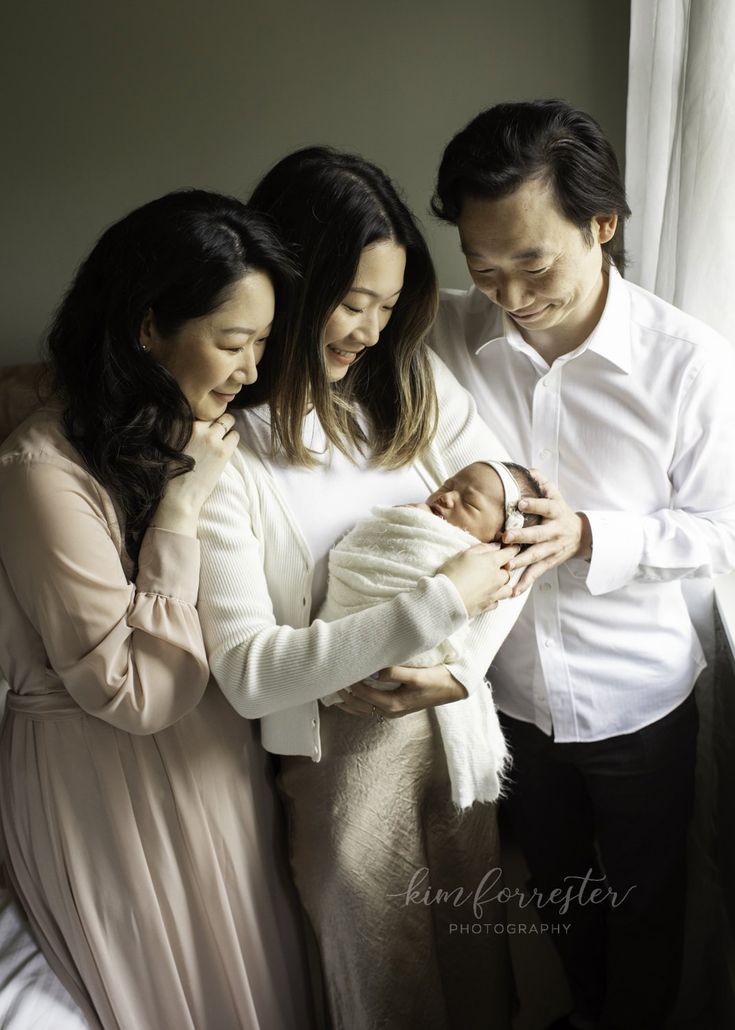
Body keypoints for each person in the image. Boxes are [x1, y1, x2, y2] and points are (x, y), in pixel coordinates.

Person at [196, 147, 526, 1030]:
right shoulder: (227, 448)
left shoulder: (409, 386)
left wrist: (461, 668)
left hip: (453, 739)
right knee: (382, 985)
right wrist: (439, 606)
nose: (371, 330)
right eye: (352, 303)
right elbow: (248, 673)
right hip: (333, 762)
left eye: (388, 306)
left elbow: (518, 524)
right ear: (289, 288)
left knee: (476, 968)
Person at [429, 99, 735, 1030]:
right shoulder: (444, 336)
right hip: (508, 693)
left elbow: (722, 531)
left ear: (601, 225)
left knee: (646, 901)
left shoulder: (688, 363)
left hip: (638, 695)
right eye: (485, 269)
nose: (511, 296)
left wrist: (594, 536)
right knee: (555, 894)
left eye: (533, 263)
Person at [0, 189, 316, 1029]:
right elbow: (136, 691)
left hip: (214, 763)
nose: (252, 371)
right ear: (149, 331)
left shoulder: (187, 434)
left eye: (260, 343)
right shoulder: (40, 472)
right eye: (233, 342)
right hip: (104, 786)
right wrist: (179, 511)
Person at [318, 459, 542, 674]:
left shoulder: (485, 564)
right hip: (339, 645)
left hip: (397, 656)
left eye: (469, 503)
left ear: (502, 538)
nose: (447, 497)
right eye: (448, 485)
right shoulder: (417, 516)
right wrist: (404, 519)